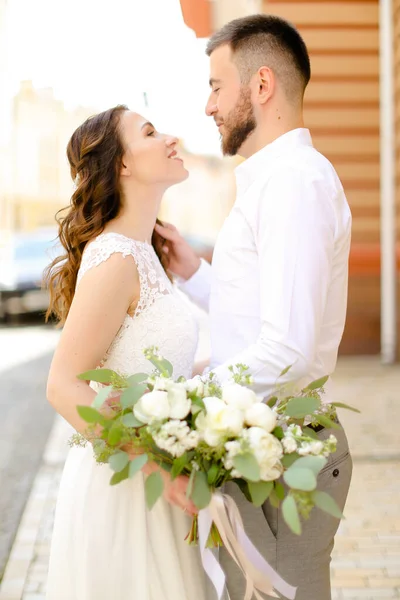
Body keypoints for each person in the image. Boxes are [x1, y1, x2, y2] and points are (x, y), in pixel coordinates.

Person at [156, 14, 353, 600]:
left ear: (260, 85)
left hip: (286, 449)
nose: (208, 106)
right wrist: (197, 275)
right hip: (260, 437)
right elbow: (266, 314)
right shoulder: (274, 180)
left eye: (217, 86)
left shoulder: (294, 183)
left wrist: (187, 405)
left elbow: (289, 348)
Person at [44, 106, 211, 600]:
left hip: (159, 481)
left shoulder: (146, 252)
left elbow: (145, 365)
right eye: (151, 132)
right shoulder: (116, 257)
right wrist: (160, 471)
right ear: (122, 165)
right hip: (129, 488)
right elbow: (62, 384)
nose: (170, 138)